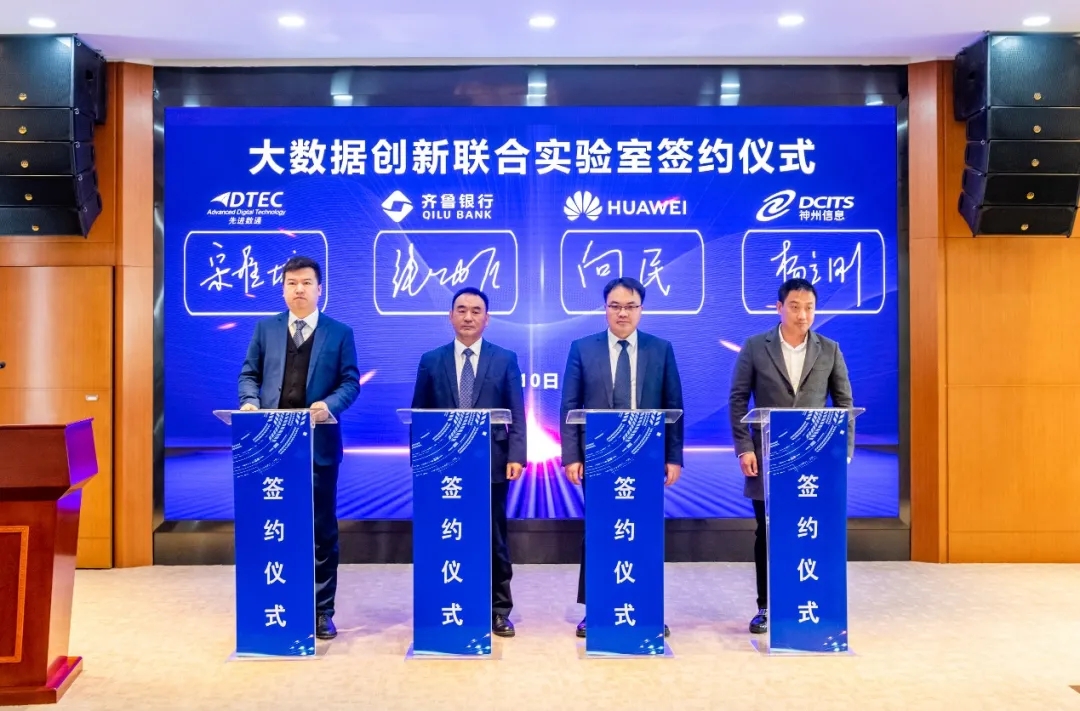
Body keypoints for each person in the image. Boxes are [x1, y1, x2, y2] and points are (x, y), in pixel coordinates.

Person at [238, 255, 360, 641]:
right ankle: (279, 604)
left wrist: (329, 405)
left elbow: (350, 382)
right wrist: (249, 402)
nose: (299, 290)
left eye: (306, 283)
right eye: (291, 283)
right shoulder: (265, 329)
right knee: (275, 527)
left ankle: (322, 611)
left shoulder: (339, 333)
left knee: (321, 531)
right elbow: (249, 374)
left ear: (320, 288)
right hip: (271, 447)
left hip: (318, 446)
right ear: (283, 289)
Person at [727, 277, 854, 635]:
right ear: (779, 307)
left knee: (811, 531)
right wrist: (744, 447)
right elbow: (738, 400)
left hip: (815, 462)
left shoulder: (830, 349)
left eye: (809, 308)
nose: (803, 315)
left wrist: (842, 452)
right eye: (795, 307)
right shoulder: (756, 347)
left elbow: (844, 403)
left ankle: (809, 603)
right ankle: (766, 607)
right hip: (767, 458)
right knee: (767, 533)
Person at [559, 276, 683, 639]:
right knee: (599, 531)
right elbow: (569, 406)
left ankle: (647, 608)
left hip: (646, 457)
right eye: (615, 306)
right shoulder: (583, 349)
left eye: (630, 306)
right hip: (598, 457)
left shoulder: (660, 349)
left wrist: (673, 456)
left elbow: (674, 404)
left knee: (644, 532)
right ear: (605, 309)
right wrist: (572, 456)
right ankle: (596, 608)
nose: (623, 313)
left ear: (641, 310)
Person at [410, 287, 527, 637]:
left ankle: (498, 609)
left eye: (476, 311)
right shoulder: (431, 360)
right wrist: (419, 460)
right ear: (450, 316)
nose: (468, 317)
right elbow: (418, 415)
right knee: (445, 535)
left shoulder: (504, 359)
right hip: (443, 467)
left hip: (491, 463)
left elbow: (517, 413)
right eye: (461, 310)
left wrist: (517, 456)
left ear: (487, 319)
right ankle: (445, 603)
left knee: (494, 538)